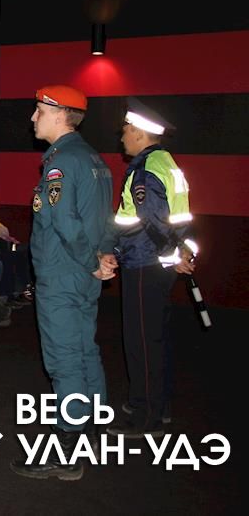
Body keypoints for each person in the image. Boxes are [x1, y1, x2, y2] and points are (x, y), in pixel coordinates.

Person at [11, 85, 112, 481]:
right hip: (84, 274)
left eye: (38, 110)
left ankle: (66, 450)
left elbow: (67, 223)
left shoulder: (62, 162)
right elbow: (105, 217)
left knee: (64, 360)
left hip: (63, 273)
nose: (32, 117)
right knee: (85, 350)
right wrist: (103, 257)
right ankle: (94, 430)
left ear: (59, 114)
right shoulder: (94, 160)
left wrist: (90, 260)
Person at [97, 98, 196, 438]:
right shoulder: (166, 163)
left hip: (144, 263)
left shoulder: (145, 169)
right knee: (156, 337)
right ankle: (158, 405)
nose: (122, 135)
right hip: (157, 265)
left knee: (141, 342)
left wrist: (172, 253)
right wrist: (179, 252)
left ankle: (145, 415)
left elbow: (151, 222)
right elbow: (175, 218)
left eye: (126, 129)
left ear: (139, 132)